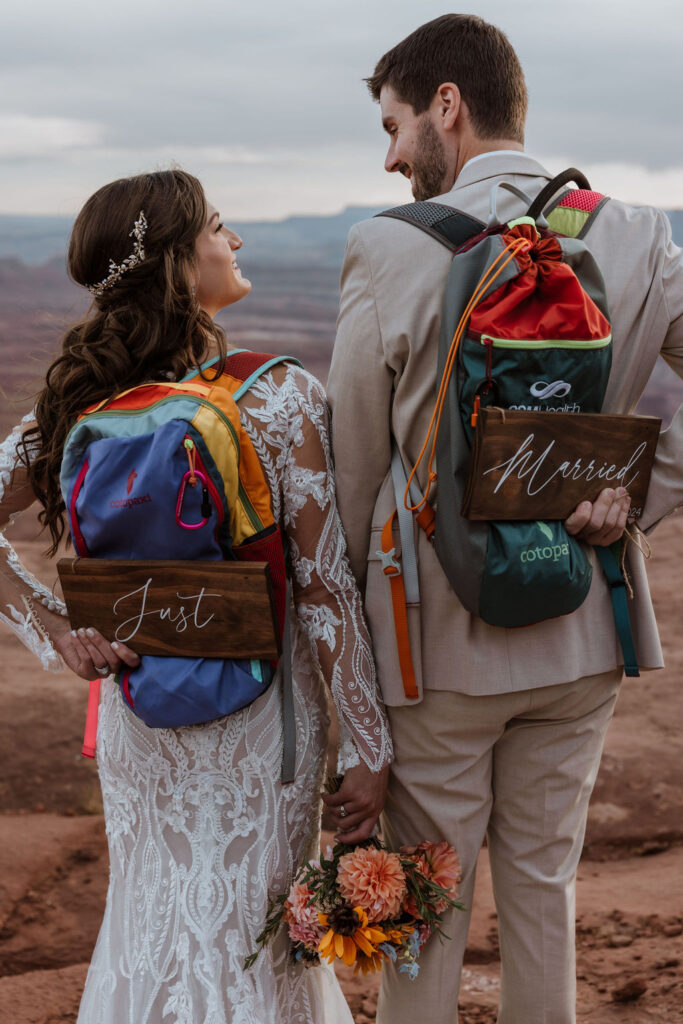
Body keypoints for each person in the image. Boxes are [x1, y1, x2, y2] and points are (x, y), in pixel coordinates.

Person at [326, 14, 682, 1024]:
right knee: (543, 891)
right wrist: (635, 501)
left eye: (394, 125)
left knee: (426, 906)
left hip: (433, 644)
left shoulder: (385, 245)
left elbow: (355, 466)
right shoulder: (634, 231)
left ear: (448, 104)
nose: (391, 155)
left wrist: (350, 648)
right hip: (581, 629)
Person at [0, 168, 392, 1024]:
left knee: (150, 921)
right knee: (252, 939)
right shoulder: (280, 397)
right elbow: (324, 591)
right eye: (219, 227)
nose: (236, 241)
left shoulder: (77, 402)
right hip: (266, 727)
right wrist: (368, 745)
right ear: (178, 263)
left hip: (140, 717)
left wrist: (58, 631)